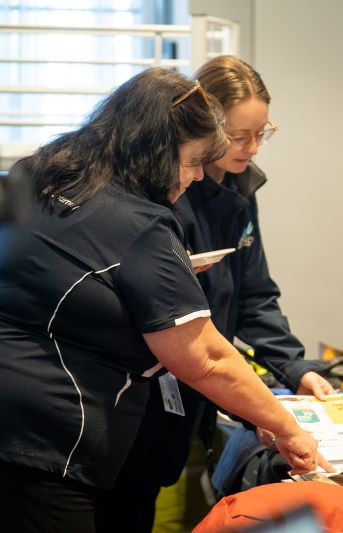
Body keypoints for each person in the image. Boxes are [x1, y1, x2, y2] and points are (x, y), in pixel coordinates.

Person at [0, 67, 326, 533]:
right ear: (153, 148)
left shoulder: (40, 172)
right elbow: (206, 357)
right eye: (193, 161)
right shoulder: (140, 222)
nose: (195, 177)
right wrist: (288, 428)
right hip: (50, 436)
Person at [94, 56, 336, 533]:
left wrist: (296, 367)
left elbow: (255, 295)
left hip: (204, 384)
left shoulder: (243, 189)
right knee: (138, 498)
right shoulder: (166, 190)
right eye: (238, 136)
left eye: (262, 133)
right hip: (153, 385)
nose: (252, 147)